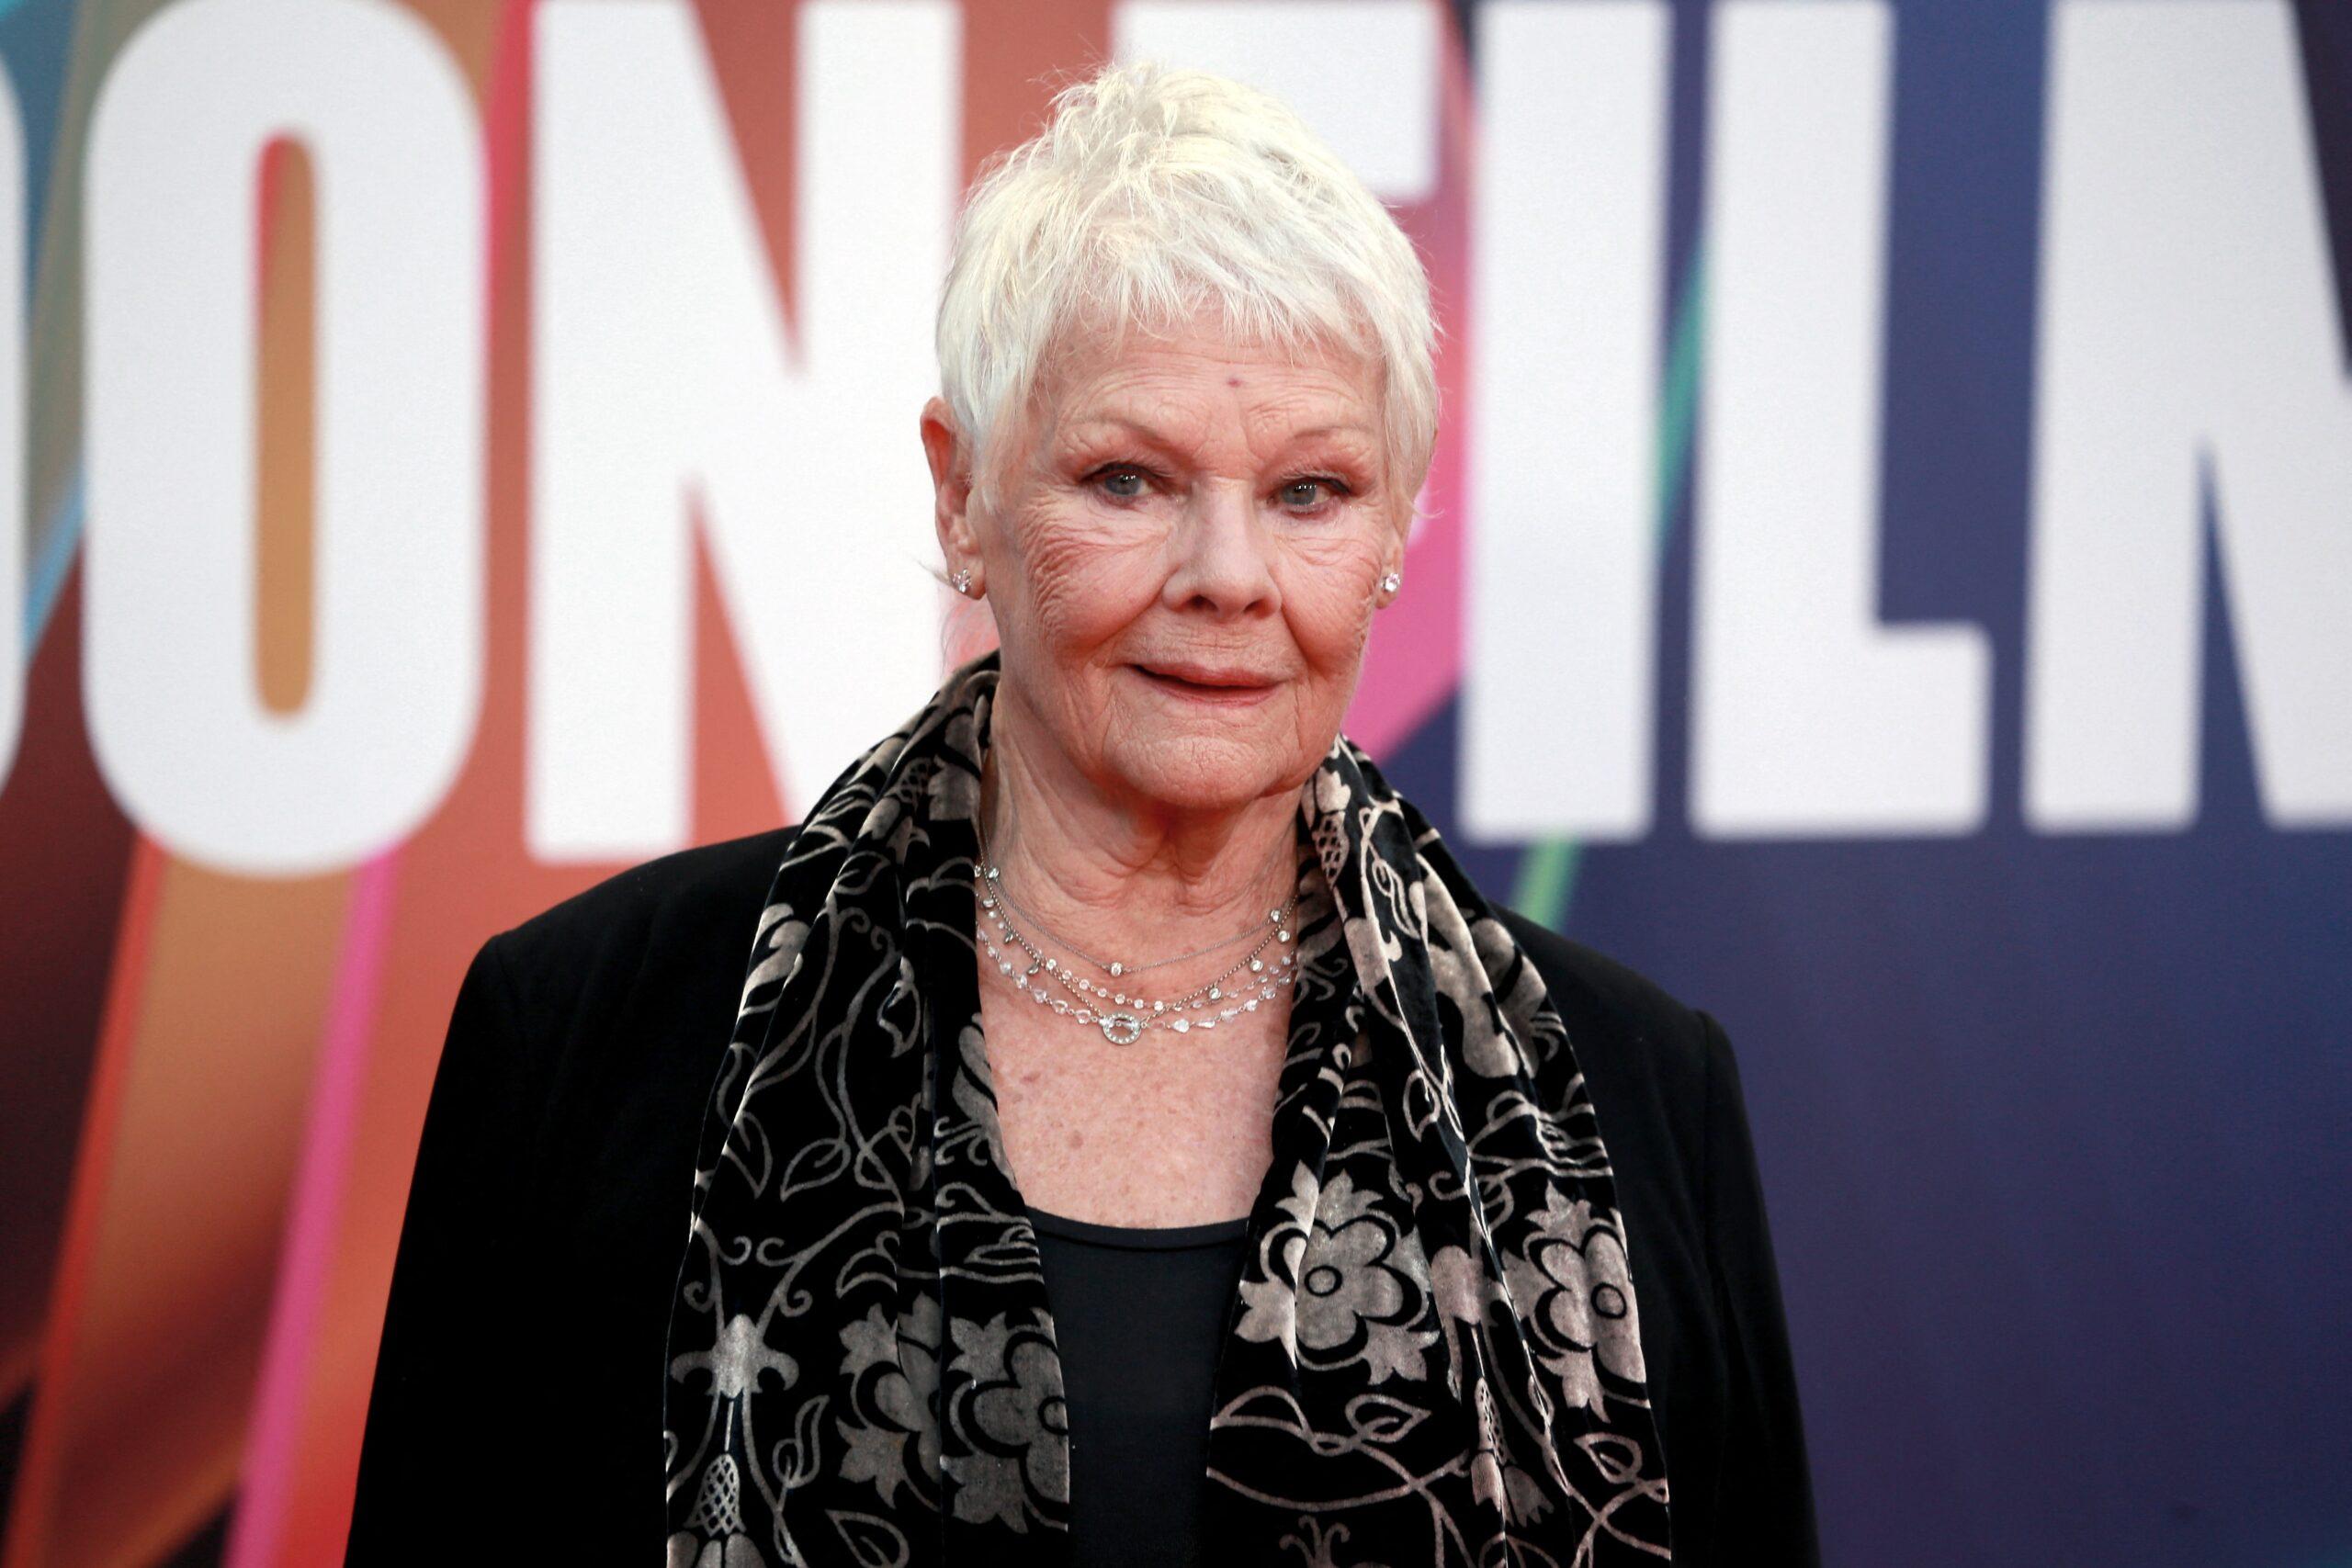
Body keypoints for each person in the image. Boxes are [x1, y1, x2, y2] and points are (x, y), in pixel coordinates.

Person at [345, 60, 1816, 1567]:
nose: (1228, 575)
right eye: (1129, 478)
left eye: (1311, 492)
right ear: (960, 494)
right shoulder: (590, 1036)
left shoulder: (1637, 1095)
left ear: (1394, 528)